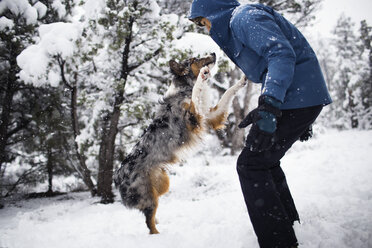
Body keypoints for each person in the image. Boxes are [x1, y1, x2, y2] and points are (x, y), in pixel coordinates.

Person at [188, 0, 332, 248]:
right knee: (263, 162)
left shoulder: (243, 18)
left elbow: (281, 53)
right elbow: (274, 62)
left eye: (204, 22)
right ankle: (289, 229)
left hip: (294, 97)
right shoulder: (241, 21)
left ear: (214, 11)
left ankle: (279, 242)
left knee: (251, 165)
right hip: (297, 97)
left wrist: (270, 105)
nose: (207, 28)